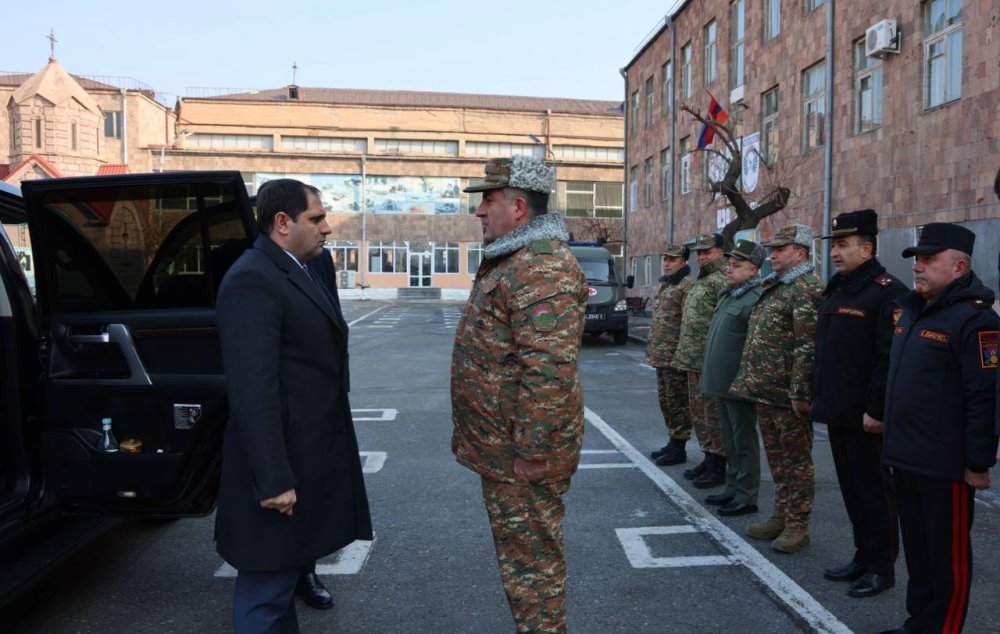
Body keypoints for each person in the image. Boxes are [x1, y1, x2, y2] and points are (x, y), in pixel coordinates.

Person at [215, 178, 372, 633]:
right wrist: (273, 479)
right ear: (282, 223)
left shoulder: (299, 268)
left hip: (304, 458)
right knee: (264, 596)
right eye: (316, 218)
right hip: (280, 468)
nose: (327, 228)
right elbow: (252, 390)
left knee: (280, 586)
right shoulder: (252, 279)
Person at [451, 156, 588, 633]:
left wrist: (531, 450)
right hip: (506, 448)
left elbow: (549, 370)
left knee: (532, 568)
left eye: (488, 200)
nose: (479, 211)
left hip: (522, 455)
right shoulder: (515, 259)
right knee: (523, 563)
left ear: (519, 207)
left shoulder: (541, 264)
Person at [879, 223, 998, 634]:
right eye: (917, 259)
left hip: (945, 464)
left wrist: (977, 462)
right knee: (919, 554)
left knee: (948, 559)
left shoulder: (977, 321)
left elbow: (984, 398)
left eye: (930, 259)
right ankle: (919, 624)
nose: (918, 267)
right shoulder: (912, 310)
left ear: (959, 267)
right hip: (906, 455)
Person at [812, 209, 907, 599]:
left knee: (876, 492)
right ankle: (862, 555)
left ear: (867, 249)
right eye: (834, 245)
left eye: (844, 245)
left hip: (867, 415)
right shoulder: (838, 289)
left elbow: (888, 358)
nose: (835, 253)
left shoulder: (888, 292)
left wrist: (877, 409)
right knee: (852, 489)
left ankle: (882, 567)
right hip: (839, 409)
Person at [730, 224, 823, 553]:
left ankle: (798, 525)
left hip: (787, 396)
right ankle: (780, 515)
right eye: (772, 249)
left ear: (801, 253)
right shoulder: (777, 285)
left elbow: (807, 346)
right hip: (765, 390)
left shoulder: (806, 288)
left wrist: (800, 392)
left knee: (797, 463)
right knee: (778, 461)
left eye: (781, 249)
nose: (772, 255)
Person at [699, 239, 765, 517]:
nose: (729, 269)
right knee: (729, 438)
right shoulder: (730, 295)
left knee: (743, 440)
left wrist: (746, 380)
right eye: (729, 264)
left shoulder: (755, 299)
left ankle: (747, 495)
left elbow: (755, 347)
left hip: (739, 384)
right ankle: (733, 487)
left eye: (737, 266)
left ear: (753, 270)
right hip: (721, 382)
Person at [669, 233, 728, 488]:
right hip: (692, 359)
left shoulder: (721, 278)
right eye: (699, 253)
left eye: (707, 252)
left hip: (708, 359)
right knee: (700, 413)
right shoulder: (703, 278)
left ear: (720, 252)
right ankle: (708, 456)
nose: (702, 257)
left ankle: (719, 463)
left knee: (713, 415)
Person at [645, 244, 694, 466]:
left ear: (684, 262)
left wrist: (682, 354)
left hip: (675, 356)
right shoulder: (667, 283)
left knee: (678, 402)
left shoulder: (686, 286)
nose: (667, 263)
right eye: (665, 259)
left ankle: (679, 446)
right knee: (666, 401)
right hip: (661, 355)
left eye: (672, 259)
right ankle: (673, 440)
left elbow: (687, 323)